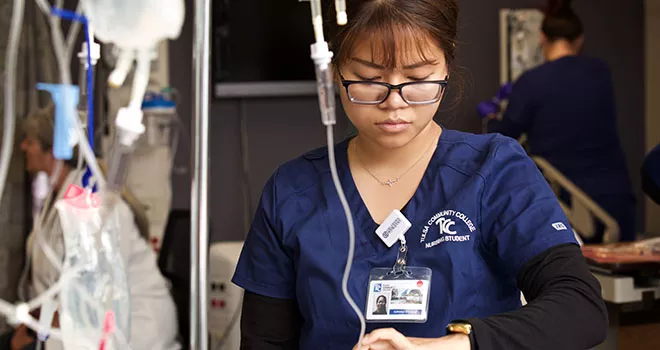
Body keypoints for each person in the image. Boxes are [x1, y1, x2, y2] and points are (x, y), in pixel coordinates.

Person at [232, 0, 607, 349]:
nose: (394, 102)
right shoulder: (293, 191)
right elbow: (264, 341)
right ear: (333, 73)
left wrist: (449, 345)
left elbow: (579, 307)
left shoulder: (493, 169)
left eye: (418, 78)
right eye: (369, 79)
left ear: (446, 67)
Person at [4, 104, 180, 350]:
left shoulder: (91, 204)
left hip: (133, 331)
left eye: (30, 141)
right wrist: (29, 322)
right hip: (83, 325)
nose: (23, 147)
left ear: (52, 149)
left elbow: (90, 294)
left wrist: (35, 332)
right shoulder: (57, 200)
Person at [487, 0, 636, 243]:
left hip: (569, 201)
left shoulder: (531, 82)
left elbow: (507, 133)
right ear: (579, 39)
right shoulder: (601, 72)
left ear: (542, 38)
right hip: (615, 198)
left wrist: (492, 119)